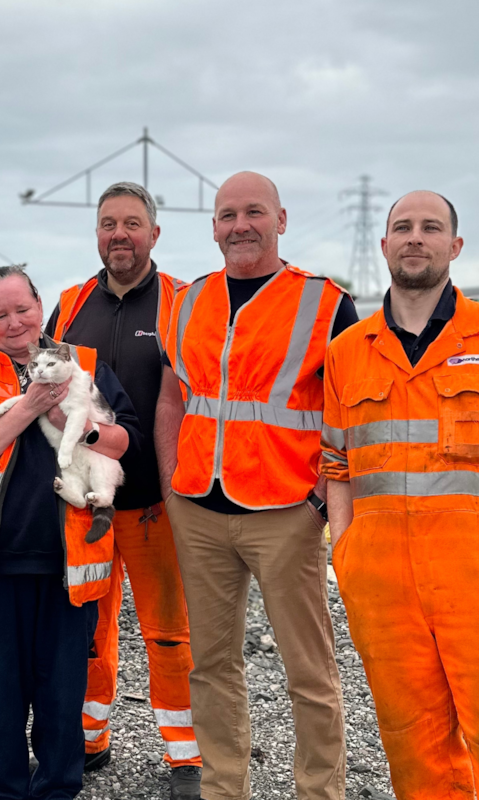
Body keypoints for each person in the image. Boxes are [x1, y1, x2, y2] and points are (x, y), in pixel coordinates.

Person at [321, 191, 479, 799]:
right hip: (382, 584)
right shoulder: (347, 352)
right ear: (384, 246)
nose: (415, 237)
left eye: (430, 228)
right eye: (402, 227)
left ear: (454, 247)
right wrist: (347, 552)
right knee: (412, 743)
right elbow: (336, 464)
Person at [155, 171, 358, 800]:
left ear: (281, 220)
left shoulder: (327, 303)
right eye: (226, 215)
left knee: (309, 671)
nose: (239, 226)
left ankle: (319, 793)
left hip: (286, 513)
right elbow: (171, 399)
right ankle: (223, 790)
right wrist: (171, 485)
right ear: (213, 227)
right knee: (211, 666)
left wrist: (321, 502)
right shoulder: (188, 301)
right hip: (198, 510)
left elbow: (351, 414)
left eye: (253, 213)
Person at [0, 266, 141, 800]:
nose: (14, 322)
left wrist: (87, 427)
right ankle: (1, 789)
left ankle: (57, 788)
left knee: (62, 691)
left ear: (39, 306)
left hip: (68, 560)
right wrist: (29, 407)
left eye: (22, 309)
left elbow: (129, 441)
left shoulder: (85, 364)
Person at [45, 182, 202, 800]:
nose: (119, 235)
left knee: (169, 632)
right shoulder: (69, 304)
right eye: (108, 223)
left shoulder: (184, 303)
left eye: (132, 224)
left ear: (155, 234)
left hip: (157, 503)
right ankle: (90, 738)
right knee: (87, 624)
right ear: (97, 233)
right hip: (85, 503)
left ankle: (186, 757)